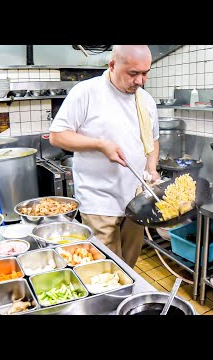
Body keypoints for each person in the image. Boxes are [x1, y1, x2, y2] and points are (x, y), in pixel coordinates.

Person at [49, 45, 160, 267]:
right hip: (99, 199)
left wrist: (152, 168)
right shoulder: (87, 92)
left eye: (145, 73)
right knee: (106, 269)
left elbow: (153, 140)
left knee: (129, 267)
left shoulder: (145, 100)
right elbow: (57, 136)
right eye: (133, 73)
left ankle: (125, 301)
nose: (140, 81)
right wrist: (100, 144)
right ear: (112, 65)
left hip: (136, 200)